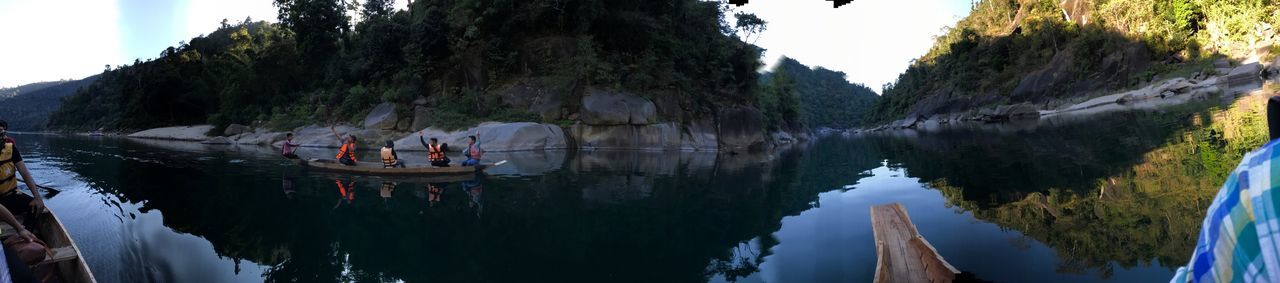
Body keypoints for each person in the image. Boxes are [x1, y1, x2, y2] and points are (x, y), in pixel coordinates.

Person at [0, 120, 46, 228]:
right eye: (0, 135)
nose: (4, 137)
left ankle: (27, 234)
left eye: (3, 134)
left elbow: (25, 173)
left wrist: (37, 197)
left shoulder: (10, 148)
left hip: (9, 196)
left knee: (35, 206)